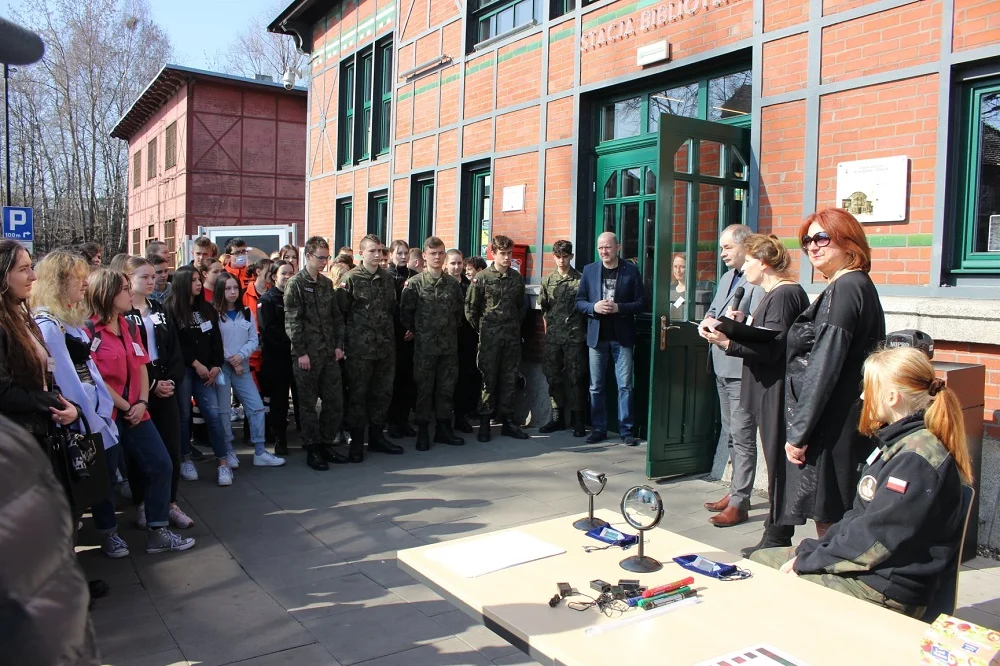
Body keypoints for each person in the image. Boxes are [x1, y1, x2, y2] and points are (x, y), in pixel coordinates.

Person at [752, 346, 971, 619]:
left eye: (869, 388)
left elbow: (875, 542)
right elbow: (858, 519)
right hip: (871, 571)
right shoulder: (898, 444)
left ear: (891, 397)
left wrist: (808, 561)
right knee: (760, 561)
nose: (863, 395)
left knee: (765, 578)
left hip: (884, 589)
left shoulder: (915, 459)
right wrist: (815, 549)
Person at [699, 235, 809, 550]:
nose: (744, 267)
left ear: (762, 262)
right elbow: (769, 337)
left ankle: (776, 537)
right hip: (767, 389)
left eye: (748, 261)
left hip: (775, 392)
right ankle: (776, 533)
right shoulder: (773, 294)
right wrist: (739, 325)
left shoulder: (784, 294)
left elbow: (775, 348)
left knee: (778, 466)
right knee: (775, 464)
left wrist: (728, 343)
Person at [781, 208, 886, 537]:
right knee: (837, 512)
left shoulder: (846, 289)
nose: (813, 246)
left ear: (848, 241)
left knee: (829, 516)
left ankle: (829, 582)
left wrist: (799, 433)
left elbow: (825, 364)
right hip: (841, 418)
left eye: (822, 237)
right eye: (807, 240)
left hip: (832, 423)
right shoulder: (855, 286)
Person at [86, 268, 194, 553]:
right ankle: (109, 533)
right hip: (108, 415)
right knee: (107, 475)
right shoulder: (89, 330)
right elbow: (93, 376)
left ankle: (158, 530)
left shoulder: (129, 326)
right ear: (107, 294)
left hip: (137, 410)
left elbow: (141, 365)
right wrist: (125, 406)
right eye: (124, 288)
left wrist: (142, 403)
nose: (129, 293)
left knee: (161, 464)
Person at [31, 251, 128, 557]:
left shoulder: (68, 320)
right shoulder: (48, 324)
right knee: (86, 489)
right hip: (82, 419)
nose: (85, 284)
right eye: (78, 279)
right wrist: (92, 416)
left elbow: (89, 368)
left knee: (103, 481)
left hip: (96, 413)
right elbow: (66, 379)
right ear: (59, 282)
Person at [698, 223, 764, 527]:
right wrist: (706, 322)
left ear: (745, 245)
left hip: (741, 370)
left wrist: (742, 320)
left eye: (727, 247)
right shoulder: (727, 277)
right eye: (721, 247)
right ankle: (736, 492)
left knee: (742, 435)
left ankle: (740, 502)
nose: (722, 253)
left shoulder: (758, 281)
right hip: (721, 363)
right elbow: (713, 310)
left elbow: (759, 326)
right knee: (730, 434)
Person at [121, 256, 194, 529]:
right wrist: (151, 385)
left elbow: (173, 348)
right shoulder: (122, 314)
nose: (152, 281)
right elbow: (128, 357)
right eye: (144, 277)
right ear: (128, 279)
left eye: (154, 276)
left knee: (171, 447)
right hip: (139, 391)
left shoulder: (159, 308)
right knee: (142, 452)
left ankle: (170, 503)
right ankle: (143, 504)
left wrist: (171, 381)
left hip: (166, 388)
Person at [0, 240, 78, 444]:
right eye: (23, 269)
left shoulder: (24, 319)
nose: (33, 276)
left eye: (31, 267)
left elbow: (45, 376)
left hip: (39, 434)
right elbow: (4, 393)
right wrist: (52, 403)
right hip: (14, 444)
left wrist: (68, 406)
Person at [575, 232, 646, 446]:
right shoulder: (589, 270)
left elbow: (642, 302)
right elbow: (579, 301)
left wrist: (620, 308)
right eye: (600, 248)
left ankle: (626, 431)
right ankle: (599, 428)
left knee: (624, 385)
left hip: (622, 337)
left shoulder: (631, 271)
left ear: (618, 247)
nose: (604, 252)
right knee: (596, 386)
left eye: (607, 247)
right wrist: (593, 308)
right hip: (597, 338)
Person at [337, 234, 403, 460]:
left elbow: (390, 310)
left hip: (384, 348)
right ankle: (356, 442)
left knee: (382, 394)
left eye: (380, 251)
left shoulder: (387, 279)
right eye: (372, 251)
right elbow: (341, 314)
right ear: (361, 253)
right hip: (359, 351)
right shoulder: (351, 278)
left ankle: (377, 438)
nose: (377, 255)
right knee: (358, 395)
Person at [164, 265, 232, 486]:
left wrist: (216, 366)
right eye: (193, 280)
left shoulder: (207, 309)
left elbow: (215, 341)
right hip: (185, 371)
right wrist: (195, 364)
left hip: (208, 372)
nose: (198, 283)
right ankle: (185, 459)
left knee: (213, 415)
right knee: (183, 416)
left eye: (199, 279)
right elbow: (174, 345)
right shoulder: (170, 309)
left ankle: (223, 463)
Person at [285, 236, 347, 470]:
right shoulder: (296, 284)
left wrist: (339, 345)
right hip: (307, 355)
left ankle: (326, 443)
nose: (324, 262)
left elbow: (336, 317)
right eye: (320, 257)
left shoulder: (325, 284)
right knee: (308, 405)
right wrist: (301, 352)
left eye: (327, 257)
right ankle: (312, 448)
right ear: (308, 256)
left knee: (334, 401)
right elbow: (292, 320)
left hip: (329, 353)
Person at [212, 272, 285, 467]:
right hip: (222, 368)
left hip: (242, 366)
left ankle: (260, 451)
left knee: (256, 407)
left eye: (235, 287)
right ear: (220, 290)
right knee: (224, 412)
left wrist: (240, 357)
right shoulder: (213, 314)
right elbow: (213, 342)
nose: (233, 292)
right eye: (228, 288)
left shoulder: (246, 311)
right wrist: (231, 359)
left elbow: (254, 338)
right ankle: (227, 451)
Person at [400, 236, 466, 450]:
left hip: (448, 347)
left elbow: (458, 313)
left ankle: (444, 429)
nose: (437, 257)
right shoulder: (415, 284)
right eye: (433, 253)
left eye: (440, 253)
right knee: (424, 389)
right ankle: (423, 431)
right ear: (425, 257)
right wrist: (422, 331)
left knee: (446, 388)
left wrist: (444, 330)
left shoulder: (452, 284)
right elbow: (406, 314)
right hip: (425, 348)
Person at [465, 235, 529, 442]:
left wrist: (512, 326)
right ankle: (484, 422)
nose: (507, 258)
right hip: (490, 338)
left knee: (509, 378)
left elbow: (521, 307)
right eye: (503, 254)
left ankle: (508, 421)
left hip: (511, 337)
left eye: (509, 253)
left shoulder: (516, 278)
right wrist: (484, 328)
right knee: (488, 380)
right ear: (494, 254)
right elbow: (471, 309)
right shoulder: (482, 278)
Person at [538, 240, 587, 437]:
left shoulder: (581, 281)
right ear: (553, 256)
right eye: (558, 256)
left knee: (577, 378)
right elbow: (544, 310)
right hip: (554, 339)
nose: (561, 260)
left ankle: (578, 420)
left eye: (565, 256)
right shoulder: (548, 281)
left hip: (574, 337)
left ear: (571, 257)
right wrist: (547, 334)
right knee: (553, 377)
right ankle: (557, 418)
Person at [258, 261, 295, 456]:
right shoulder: (268, 299)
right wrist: (292, 341)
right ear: (274, 276)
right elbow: (268, 330)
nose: (288, 277)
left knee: (301, 398)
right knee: (279, 401)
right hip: (277, 358)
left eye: (291, 273)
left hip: (298, 356)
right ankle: (280, 438)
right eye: (283, 273)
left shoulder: (297, 296)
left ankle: (306, 435)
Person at [386, 240, 417, 438]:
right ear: (391, 255)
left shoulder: (414, 277)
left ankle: (404, 421)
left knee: (409, 381)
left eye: (406, 253)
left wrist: (413, 328)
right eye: (399, 253)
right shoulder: (386, 277)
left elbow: (419, 306)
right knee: (393, 382)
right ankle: (392, 423)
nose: (403, 257)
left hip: (411, 336)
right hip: (391, 336)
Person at [446, 249, 477, 433]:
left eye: (459, 263)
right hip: (444, 339)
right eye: (453, 263)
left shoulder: (469, 285)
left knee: (464, 379)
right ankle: (442, 418)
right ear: (446, 264)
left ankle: (460, 417)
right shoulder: (442, 283)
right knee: (444, 380)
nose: (457, 267)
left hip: (466, 339)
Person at [668, 254, 686, 322]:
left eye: (682, 267)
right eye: (675, 266)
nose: (678, 270)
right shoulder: (670, 289)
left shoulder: (695, 291)